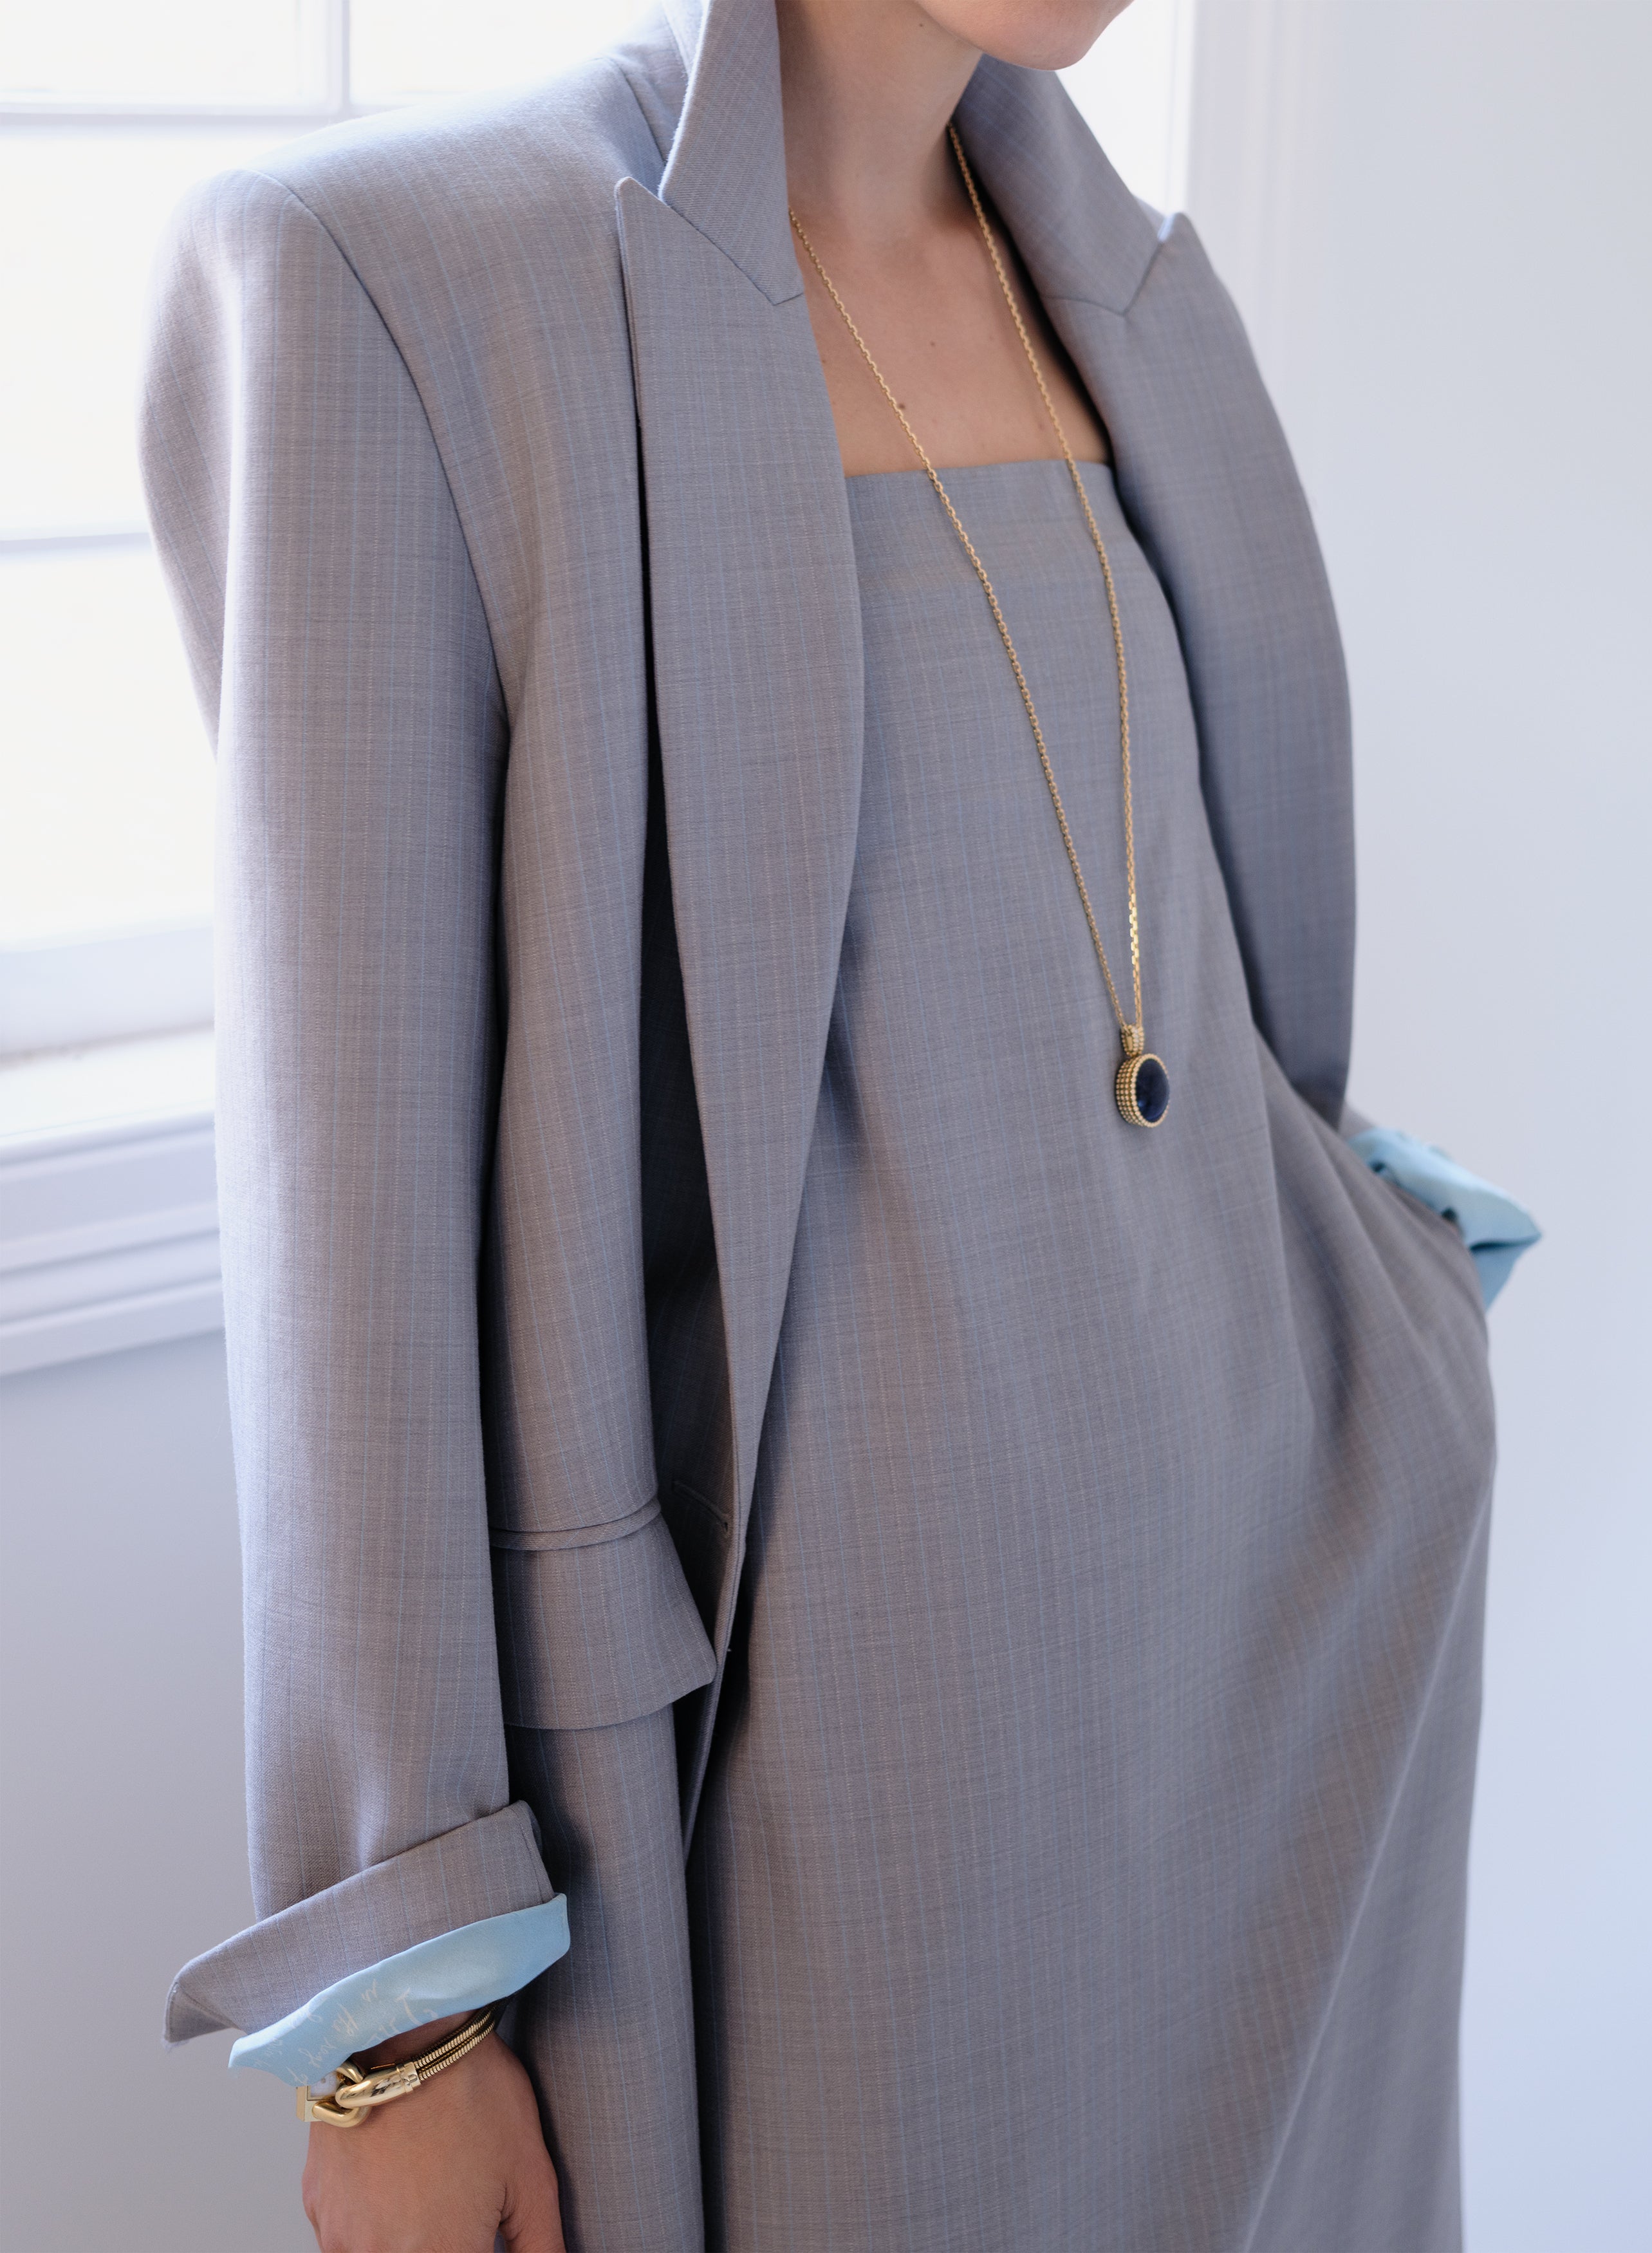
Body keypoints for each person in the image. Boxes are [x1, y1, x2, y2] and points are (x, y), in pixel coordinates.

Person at [142, 0, 1539, 2246]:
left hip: (1294, 1727)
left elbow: (1170, 1003)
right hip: (814, 1828)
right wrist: (400, 2021)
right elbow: (346, 1226)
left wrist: (1388, 1279)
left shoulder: (1137, 304)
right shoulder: (402, 283)